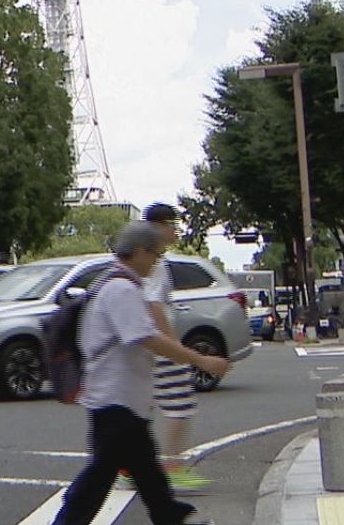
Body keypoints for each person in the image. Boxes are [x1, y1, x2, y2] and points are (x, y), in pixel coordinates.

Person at [54, 221, 230, 525]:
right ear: (138, 251)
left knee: (146, 470)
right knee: (100, 475)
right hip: (115, 398)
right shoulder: (121, 289)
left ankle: (169, 516)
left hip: (122, 399)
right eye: (155, 255)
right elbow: (144, 337)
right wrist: (199, 360)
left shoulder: (113, 283)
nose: (156, 262)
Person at [141, 202, 208, 489]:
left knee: (141, 405)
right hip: (158, 343)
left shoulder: (144, 255)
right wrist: (174, 345)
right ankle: (173, 468)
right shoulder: (154, 260)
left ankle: (130, 467)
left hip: (143, 343)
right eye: (172, 225)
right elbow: (154, 305)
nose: (175, 230)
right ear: (158, 227)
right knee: (180, 403)